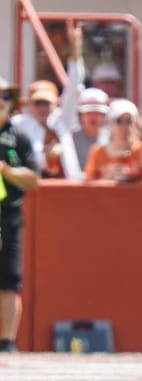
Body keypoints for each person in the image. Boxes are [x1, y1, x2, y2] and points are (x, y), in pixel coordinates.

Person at [0, 77, 40, 353]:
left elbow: (34, 178)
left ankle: (7, 342)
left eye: (5, 97)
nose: (2, 102)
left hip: (9, 215)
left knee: (9, 279)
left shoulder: (19, 137)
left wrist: (8, 172)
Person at [84, 99, 142, 182]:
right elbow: (88, 185)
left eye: (129, 121)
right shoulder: (97, 152)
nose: (125, 126)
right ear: (110, 124)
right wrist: (108, 178)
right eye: (119, 121)